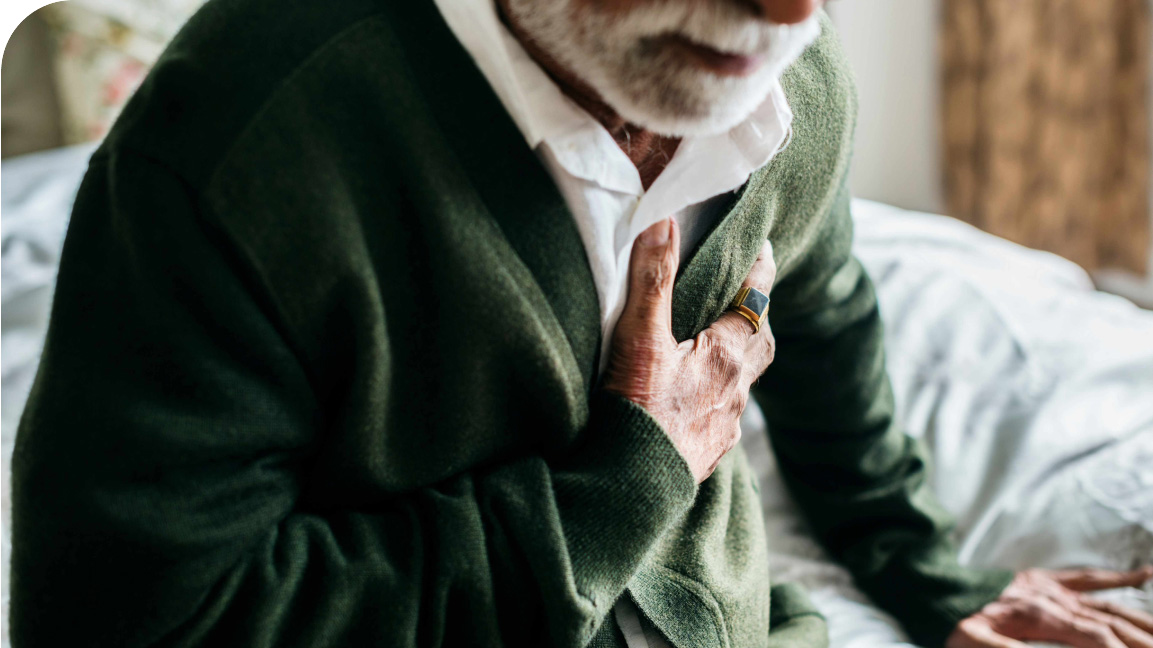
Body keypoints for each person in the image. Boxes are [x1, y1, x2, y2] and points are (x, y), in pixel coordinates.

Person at [9, 0, 1153, 645]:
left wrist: (933, 582)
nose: (794, 12)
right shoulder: (234, 149)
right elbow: (133, 627)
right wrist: (619, 488)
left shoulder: (800, 84)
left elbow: (826, 317)